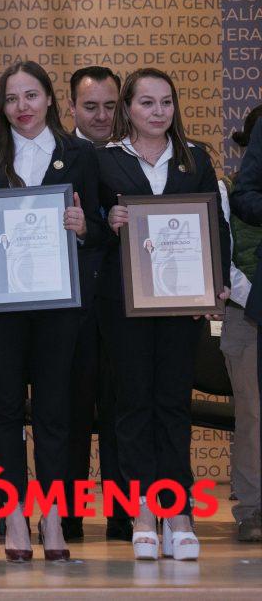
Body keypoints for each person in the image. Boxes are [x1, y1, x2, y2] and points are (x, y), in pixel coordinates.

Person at [0, 60, 104, 562]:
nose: (22, 107)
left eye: (31, 96)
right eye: (11, 98)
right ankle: (15, 516)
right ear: (1, 107)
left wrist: (84, 227)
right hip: (0, 305)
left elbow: (102, 229)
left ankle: (53, 517)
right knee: (4, 410)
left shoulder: (80, 155)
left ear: (48, 99)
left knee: (54, 412)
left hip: (59, 305)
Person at [99, 68, 230, 561]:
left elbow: (215, 225)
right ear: (128, 109)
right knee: (133, 405)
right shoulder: (104, 159)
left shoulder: (195, 158)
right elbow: (85, 228)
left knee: (172, 405)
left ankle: (178, 514)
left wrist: (214, 283)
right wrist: (107, 220)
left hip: (181, 304)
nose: (158, 112)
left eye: (166, 102)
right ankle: (143, 514)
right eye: (147, 103)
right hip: (124, 304)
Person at [61, 66, 132, 542]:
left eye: (110, 106)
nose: (102, 116)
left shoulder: (134, 156)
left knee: (121, 412)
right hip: (70, 307)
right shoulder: (58, 156)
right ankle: (66, 517)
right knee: (69, 413)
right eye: (91, 107)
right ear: (71, 107)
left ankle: (124, 517)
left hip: (126, 304)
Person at [224, 103, 262, 542]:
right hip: (245, 313)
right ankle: (252, 510)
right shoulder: (229, 192)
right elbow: (223, 257)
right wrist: (254, 297)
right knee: (252, 414)